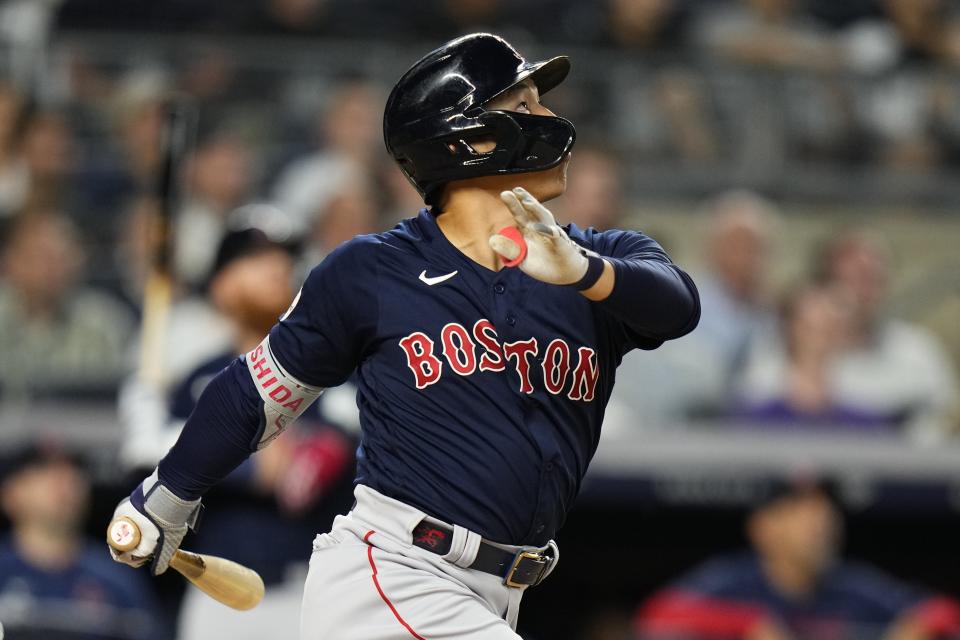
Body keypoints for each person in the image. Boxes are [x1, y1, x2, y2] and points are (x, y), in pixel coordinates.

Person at [108, 33, 700, 638]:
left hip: (501, 591)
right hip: (396, 575)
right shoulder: (374, 270)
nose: (550, 119)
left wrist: (583, 271)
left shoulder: (604, 258)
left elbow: (678, 307)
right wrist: (167, 496)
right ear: (469, 140)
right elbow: (255, 393)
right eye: (523, 108)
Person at [634, 478, 960, 640]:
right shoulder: (734, 578)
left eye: (823, 509)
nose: (820, 521)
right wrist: (747, 623)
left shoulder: (851, 584)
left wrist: (917, 627)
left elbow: (947, 614)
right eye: (800, 510)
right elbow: (658, 615)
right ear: (763, 527)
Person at [0, 442, 166, 640]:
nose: (63, 481)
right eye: (42, 471)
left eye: (74, 471)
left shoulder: (117, 580)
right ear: (10, 494)